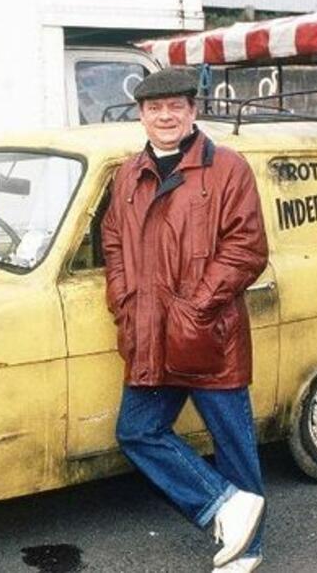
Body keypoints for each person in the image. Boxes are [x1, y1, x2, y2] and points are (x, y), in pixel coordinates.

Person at [102, 67, 269, 571]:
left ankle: (249, 549)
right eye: (155, 108)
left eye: (175, 106)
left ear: (193, 111)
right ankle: (224, 508)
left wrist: (193, 309)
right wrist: (124, 300)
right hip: (149, 332)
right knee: (137, 431)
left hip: (208, 334)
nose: (165, 116)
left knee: (234, 444)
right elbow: (113, 241)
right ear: (142, 115)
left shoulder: (228, 168)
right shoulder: (127, 174)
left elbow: (247, 248)